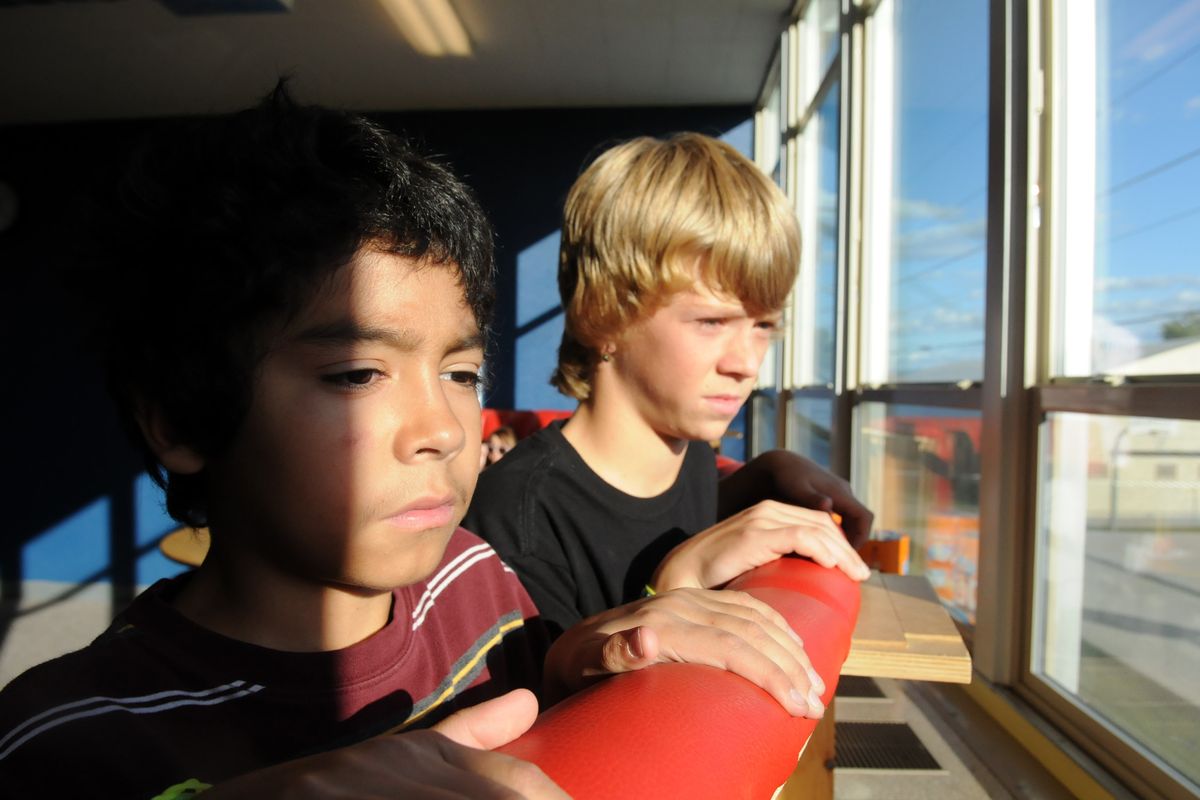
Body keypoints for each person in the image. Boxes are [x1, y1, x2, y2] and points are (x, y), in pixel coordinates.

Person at [0, 88, 827, 799]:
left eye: (462, 374)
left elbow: (534, 697)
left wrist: (587, 655)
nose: (441, 431)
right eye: (359, 375)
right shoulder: (62, 740)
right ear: (179, 419)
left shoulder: (475, 578)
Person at [464, 133, 874, 650]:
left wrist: (770, 471)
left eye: (764, 326)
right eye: (710, 322)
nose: (746, 364)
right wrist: (678, 584)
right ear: (602, 316)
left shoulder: (694, 457)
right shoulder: (511, 528)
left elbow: (650, 520)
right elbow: (554, 724)